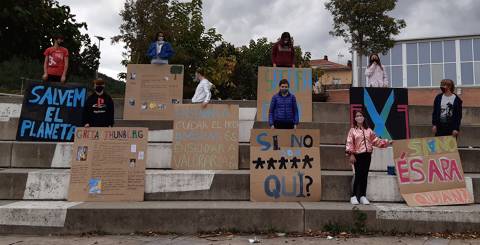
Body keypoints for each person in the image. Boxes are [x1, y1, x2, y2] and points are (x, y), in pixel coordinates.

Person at [345, 110, 390, 205]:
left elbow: (376, 141)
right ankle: (353, 196)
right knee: (358, 175)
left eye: (361, 115)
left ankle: (362, 196)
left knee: (365, 175)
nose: (359, 117)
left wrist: (387, 142)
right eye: (357, 116)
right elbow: (349, 143)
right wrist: (351, 154)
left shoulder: (369, 130)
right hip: (358, 155)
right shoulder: (352, 130)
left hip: (367, 155)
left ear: (364, 117)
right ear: (355, 118)